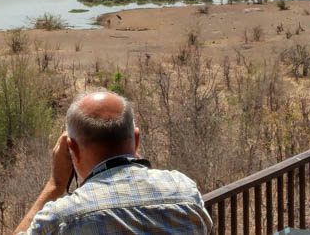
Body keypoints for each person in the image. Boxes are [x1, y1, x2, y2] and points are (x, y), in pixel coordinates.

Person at [14, 90, 212, 234]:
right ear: (136, 139)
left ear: (72, 149)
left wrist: (55, 185)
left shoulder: (63, 219)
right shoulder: (184, 192)